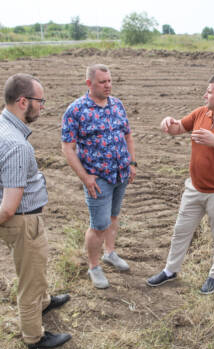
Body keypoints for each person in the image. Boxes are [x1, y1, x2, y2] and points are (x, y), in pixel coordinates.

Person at [146, 73, 214, 295]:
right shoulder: (201, 113)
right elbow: (176, 129)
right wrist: (167, 122)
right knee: (180, 231)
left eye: (209, 92)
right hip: (194, 187)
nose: (205, 95)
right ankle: (170, 271)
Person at [0, 74, 71, 349]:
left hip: (25, 220)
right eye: (40, 101)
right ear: (22, 102)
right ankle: (34, 336)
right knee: (30, 280)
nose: (43, 106)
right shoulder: (16, 145)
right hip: (23, 221)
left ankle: (44, 302)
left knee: (37, 267)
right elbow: (8, 208)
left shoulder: (5, 127)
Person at [62, 64, 136, 289]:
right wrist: (86, 177)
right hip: (98, 178)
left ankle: (110, 253)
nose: (108, 85)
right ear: (89, 84)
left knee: (113, 217)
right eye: (102, 82)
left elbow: (128, 135)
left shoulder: (117, 104)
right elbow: (67, 149)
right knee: (98, 225)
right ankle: (94, 267)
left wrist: (131, 162)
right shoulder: (76, 110)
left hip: (120, 173)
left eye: (110, 81)